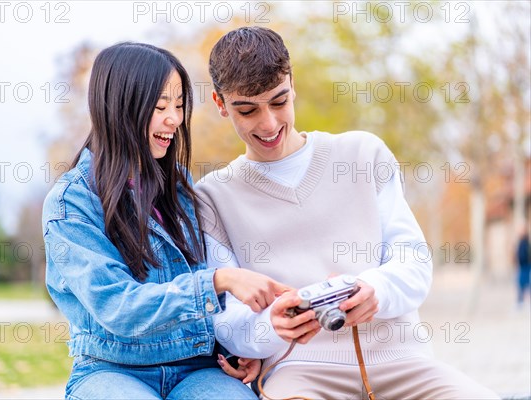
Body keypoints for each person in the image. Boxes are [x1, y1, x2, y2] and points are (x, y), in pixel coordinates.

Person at [195, 26, 500, 399]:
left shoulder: (362, 154)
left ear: (293, 85)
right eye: (247, 110)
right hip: (299, 372)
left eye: (279, 101)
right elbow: (227, 321)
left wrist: (378, 290)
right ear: (220, 103)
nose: (269, 124)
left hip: (402, 360)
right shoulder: (212, 197)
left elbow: (414, 261)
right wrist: (271, 328)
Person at [41, 41, 288, 400]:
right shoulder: (71, 203)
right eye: (159, 107)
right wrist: (217, 282)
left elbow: (214, 286)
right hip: (111, 369)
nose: (174, 119)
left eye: (179, 105)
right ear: (119, 108)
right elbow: (118, 307)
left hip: (197, 367)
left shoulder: (182, 188)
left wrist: (240, 350)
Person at [516, 229, 531, 307]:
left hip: (526, 266)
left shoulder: (525, 243)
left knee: (524, 283)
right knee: (522, 283)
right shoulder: (523, 243)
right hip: (524, 266)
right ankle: (521, 299)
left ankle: (521, 300)